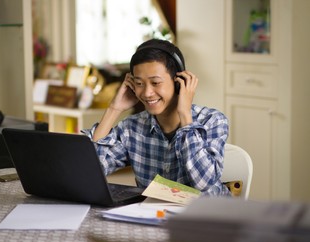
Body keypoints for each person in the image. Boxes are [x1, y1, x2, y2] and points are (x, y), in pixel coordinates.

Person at [82, 39, 231, 196]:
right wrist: (114, 109)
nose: (147, 93)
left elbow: (203, 183)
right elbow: (89, 173)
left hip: (206, 216)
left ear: (179, 83)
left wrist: (185, 116)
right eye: (139, 83)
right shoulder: (132, 127)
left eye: (155, 82)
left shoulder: (213, 121)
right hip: (153, 216)